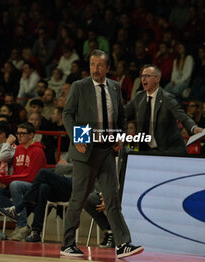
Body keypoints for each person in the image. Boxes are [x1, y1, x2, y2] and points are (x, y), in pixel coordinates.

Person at [61, 49, 143, 258]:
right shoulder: (80, 86)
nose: (95, 69)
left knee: (112, 197)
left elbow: (122, 117)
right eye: (92, 65)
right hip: (85, 149)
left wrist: (120, 135)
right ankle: (67, 244)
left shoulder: (115, 87)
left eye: (99, 65)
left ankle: (123, 243)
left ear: (107, 68)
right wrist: (78, 138)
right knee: (78, 198)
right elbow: (68, 114)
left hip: (106, 150)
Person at [126, 64, 202, 153]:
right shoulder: (139, 97)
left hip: (168, 150)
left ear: (157, 79)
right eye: (142, 76)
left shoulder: (167, 98)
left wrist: (193, 128)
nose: (143, 79)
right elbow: (123, 113)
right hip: (147, 150)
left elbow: (182, 116)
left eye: (147, 76)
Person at [0, 122, 47, 241]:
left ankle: (21, 225)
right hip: (19, 183)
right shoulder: (19, 149)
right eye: (18, 133)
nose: (19, 136)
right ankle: (20, 219)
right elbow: (16, 173)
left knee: (15, 185)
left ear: (31, 135)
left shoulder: (38, 151)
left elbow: (32, 177)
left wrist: (7, 180)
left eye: (23, 134)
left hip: (34, 186)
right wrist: (5, 182)